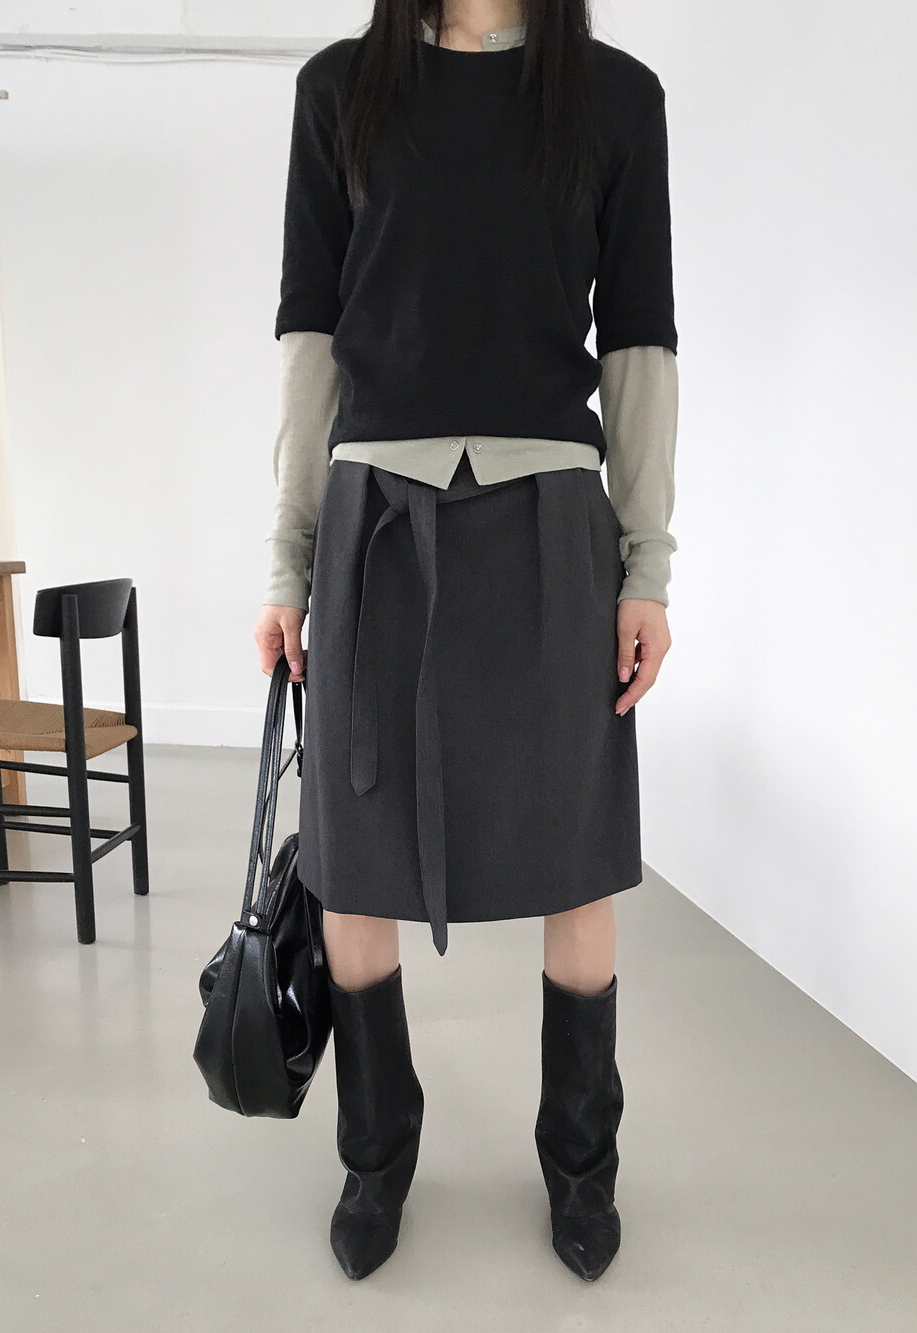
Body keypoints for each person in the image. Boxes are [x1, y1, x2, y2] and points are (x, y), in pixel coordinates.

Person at [254, 0, 678, 1285]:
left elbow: (640, 341)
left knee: (575, 854)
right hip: (372, 520)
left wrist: (646, 565)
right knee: (354, 859)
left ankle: (581, 1162)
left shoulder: (615, 97)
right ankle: (376, 1152)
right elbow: (310, 339)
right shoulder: (341, 91)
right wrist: (284, 560)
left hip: (550, 520)